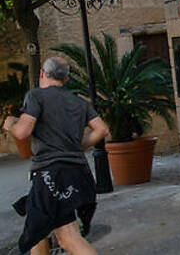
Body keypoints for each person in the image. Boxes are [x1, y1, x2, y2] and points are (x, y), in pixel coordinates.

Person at [3, 57, 109, 255]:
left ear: (42, 73)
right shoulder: (79, 102)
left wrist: (10, 125)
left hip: (51, 175)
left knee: (68, 237)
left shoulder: (36, 96)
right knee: (38, 229)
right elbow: (102, 129)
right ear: (66, 79)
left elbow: (23, 132)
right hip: (78, 174)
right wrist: (77, 146)